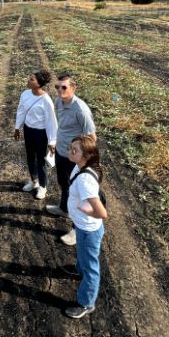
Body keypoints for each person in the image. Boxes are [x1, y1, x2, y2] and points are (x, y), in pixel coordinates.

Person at [46, 74, 97, 247]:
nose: (60, 90)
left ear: (73, 89)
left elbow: (91, 136)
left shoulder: (81, 110)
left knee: (78, 193)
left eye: (64, 87)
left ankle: (76, 230)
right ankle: (64, 209)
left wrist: (84, 161)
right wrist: (55, 142)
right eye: (57, 87)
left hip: (76, 158)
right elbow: (60, 125)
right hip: (61, 151)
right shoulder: (59, 101)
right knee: (63, 183)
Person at [64, 134, 108, 319]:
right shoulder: (81, 167)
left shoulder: (84, 180)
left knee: (91, 267)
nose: (70, 151)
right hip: (83, 227)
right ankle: (78, 270)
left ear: (86, 155)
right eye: (70, 147)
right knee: (83, 256)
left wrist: (86, 210)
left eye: (75, 150)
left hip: (88, 229)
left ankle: (86, 303)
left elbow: (102, 213)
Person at [13, 68, 58, 200]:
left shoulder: (46, 100)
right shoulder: (25, 94)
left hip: (41, 134)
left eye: (32, 79)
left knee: (41, 162)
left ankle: (43, 187)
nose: (28, 80)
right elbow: (21, 111)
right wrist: (17, 128)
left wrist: (52, 141)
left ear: (39, 84)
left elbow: (51, 122)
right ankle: (34, 181)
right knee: (30, 157)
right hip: (28, 130)